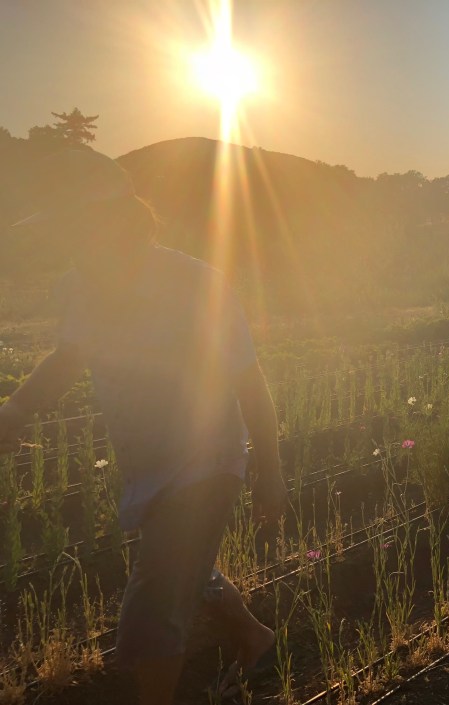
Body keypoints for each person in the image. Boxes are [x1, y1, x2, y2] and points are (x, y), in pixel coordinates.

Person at [0, 149, 288, 705]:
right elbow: (67, 359)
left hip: (208, 460)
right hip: (145, 463)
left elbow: (250, 384)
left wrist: (270, 471)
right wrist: (12, 412)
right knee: (186, 568)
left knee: (152, 609)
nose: (67, 244)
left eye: (73, 229)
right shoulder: (80, 287)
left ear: (115, 223)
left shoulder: (195, 284)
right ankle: (255, 639)